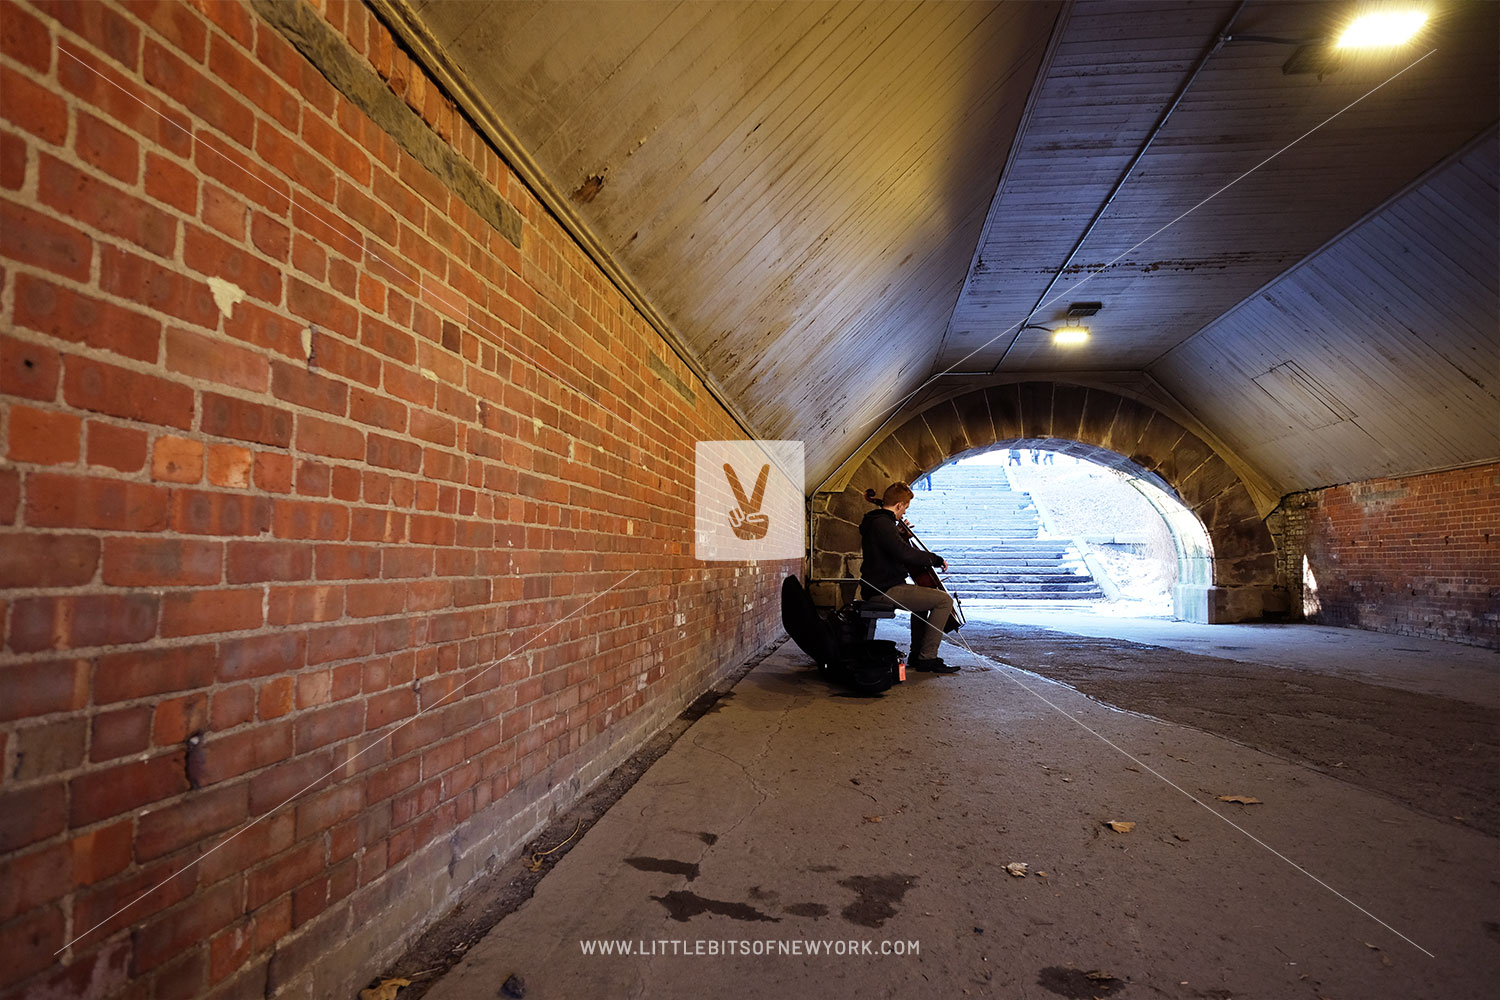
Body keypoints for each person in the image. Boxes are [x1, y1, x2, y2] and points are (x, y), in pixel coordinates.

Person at [859, 482, 958, 673]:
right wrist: (935, 559)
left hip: (883, 586)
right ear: (898, 505)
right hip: (884, 589)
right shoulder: (883, 523)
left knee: (922, 600)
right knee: (944, 601)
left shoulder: (880, 523)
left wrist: (900, 535)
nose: (904, 513)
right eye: (905, 508)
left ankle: (916, 654)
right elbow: (904, 553)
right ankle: (928, 658)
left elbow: (892, 548)